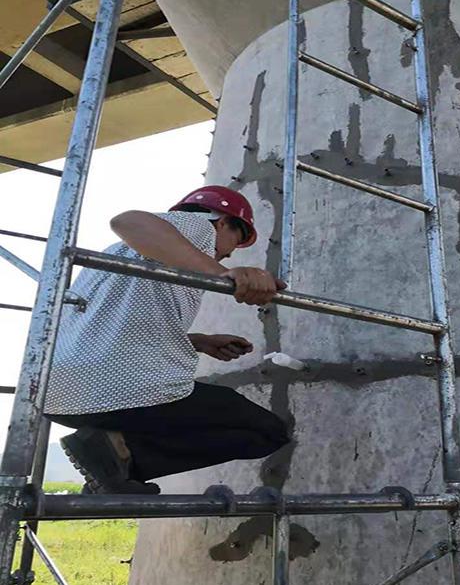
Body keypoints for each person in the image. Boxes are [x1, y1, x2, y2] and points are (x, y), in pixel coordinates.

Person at [44, 185, 289, 494]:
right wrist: (221, 273)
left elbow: (112, 325)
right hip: (112, 386)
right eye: (234, 241)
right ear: (223, 221)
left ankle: (114, 468)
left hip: (56, 393)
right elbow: (128, 220)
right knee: (266, 431)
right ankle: (120, 457)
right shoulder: (198, 227)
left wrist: (197, 341)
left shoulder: (115, 253)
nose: (228, 253)